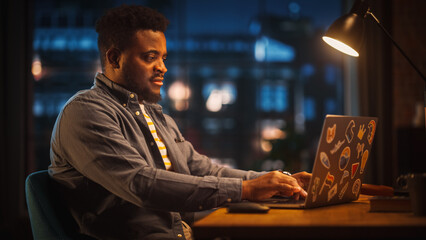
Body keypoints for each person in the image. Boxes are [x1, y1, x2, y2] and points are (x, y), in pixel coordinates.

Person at [48, 4, 311, 240]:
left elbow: (204, 170)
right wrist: (245, 189)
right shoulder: (86, 112)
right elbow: (142, 184)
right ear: (114, 58)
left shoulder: (155, 115)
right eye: (150, 57)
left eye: (164, 58)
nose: (162, 67)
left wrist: (278, 182)